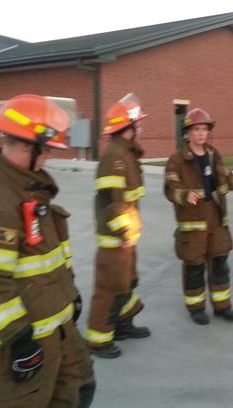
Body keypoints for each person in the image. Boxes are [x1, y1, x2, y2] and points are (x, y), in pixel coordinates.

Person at [0, 94, 95, 407]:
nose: (48, 156)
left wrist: (69, 298)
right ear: (25, 145)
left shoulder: (30, 190)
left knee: (79, 388)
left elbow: (45, 260)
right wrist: (20, 341)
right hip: (27, 340)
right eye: (46, 149)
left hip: (58, 328)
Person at [164, 108, 233, 325]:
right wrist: (184, 195)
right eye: (196, 129)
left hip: (216, 219)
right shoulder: (176, 160)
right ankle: (196, 308)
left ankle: (222, 306)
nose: (201, 134)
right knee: (194, 266)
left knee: (220, 262)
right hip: (192, 223)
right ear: (187, 133)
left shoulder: (213, 154)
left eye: (204, 129)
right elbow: (170, 189)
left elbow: (224, 176)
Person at [85, 94, 150, 359]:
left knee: (127, 282)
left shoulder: (125, 153)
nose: (141, 129)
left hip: (126, 236)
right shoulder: (114, 156)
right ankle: (98, 339)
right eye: (138, 124)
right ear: (127, 128)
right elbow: (109, 199)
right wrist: (123, 230)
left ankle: (122, 325)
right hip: (116, 238)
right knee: (110, 288)